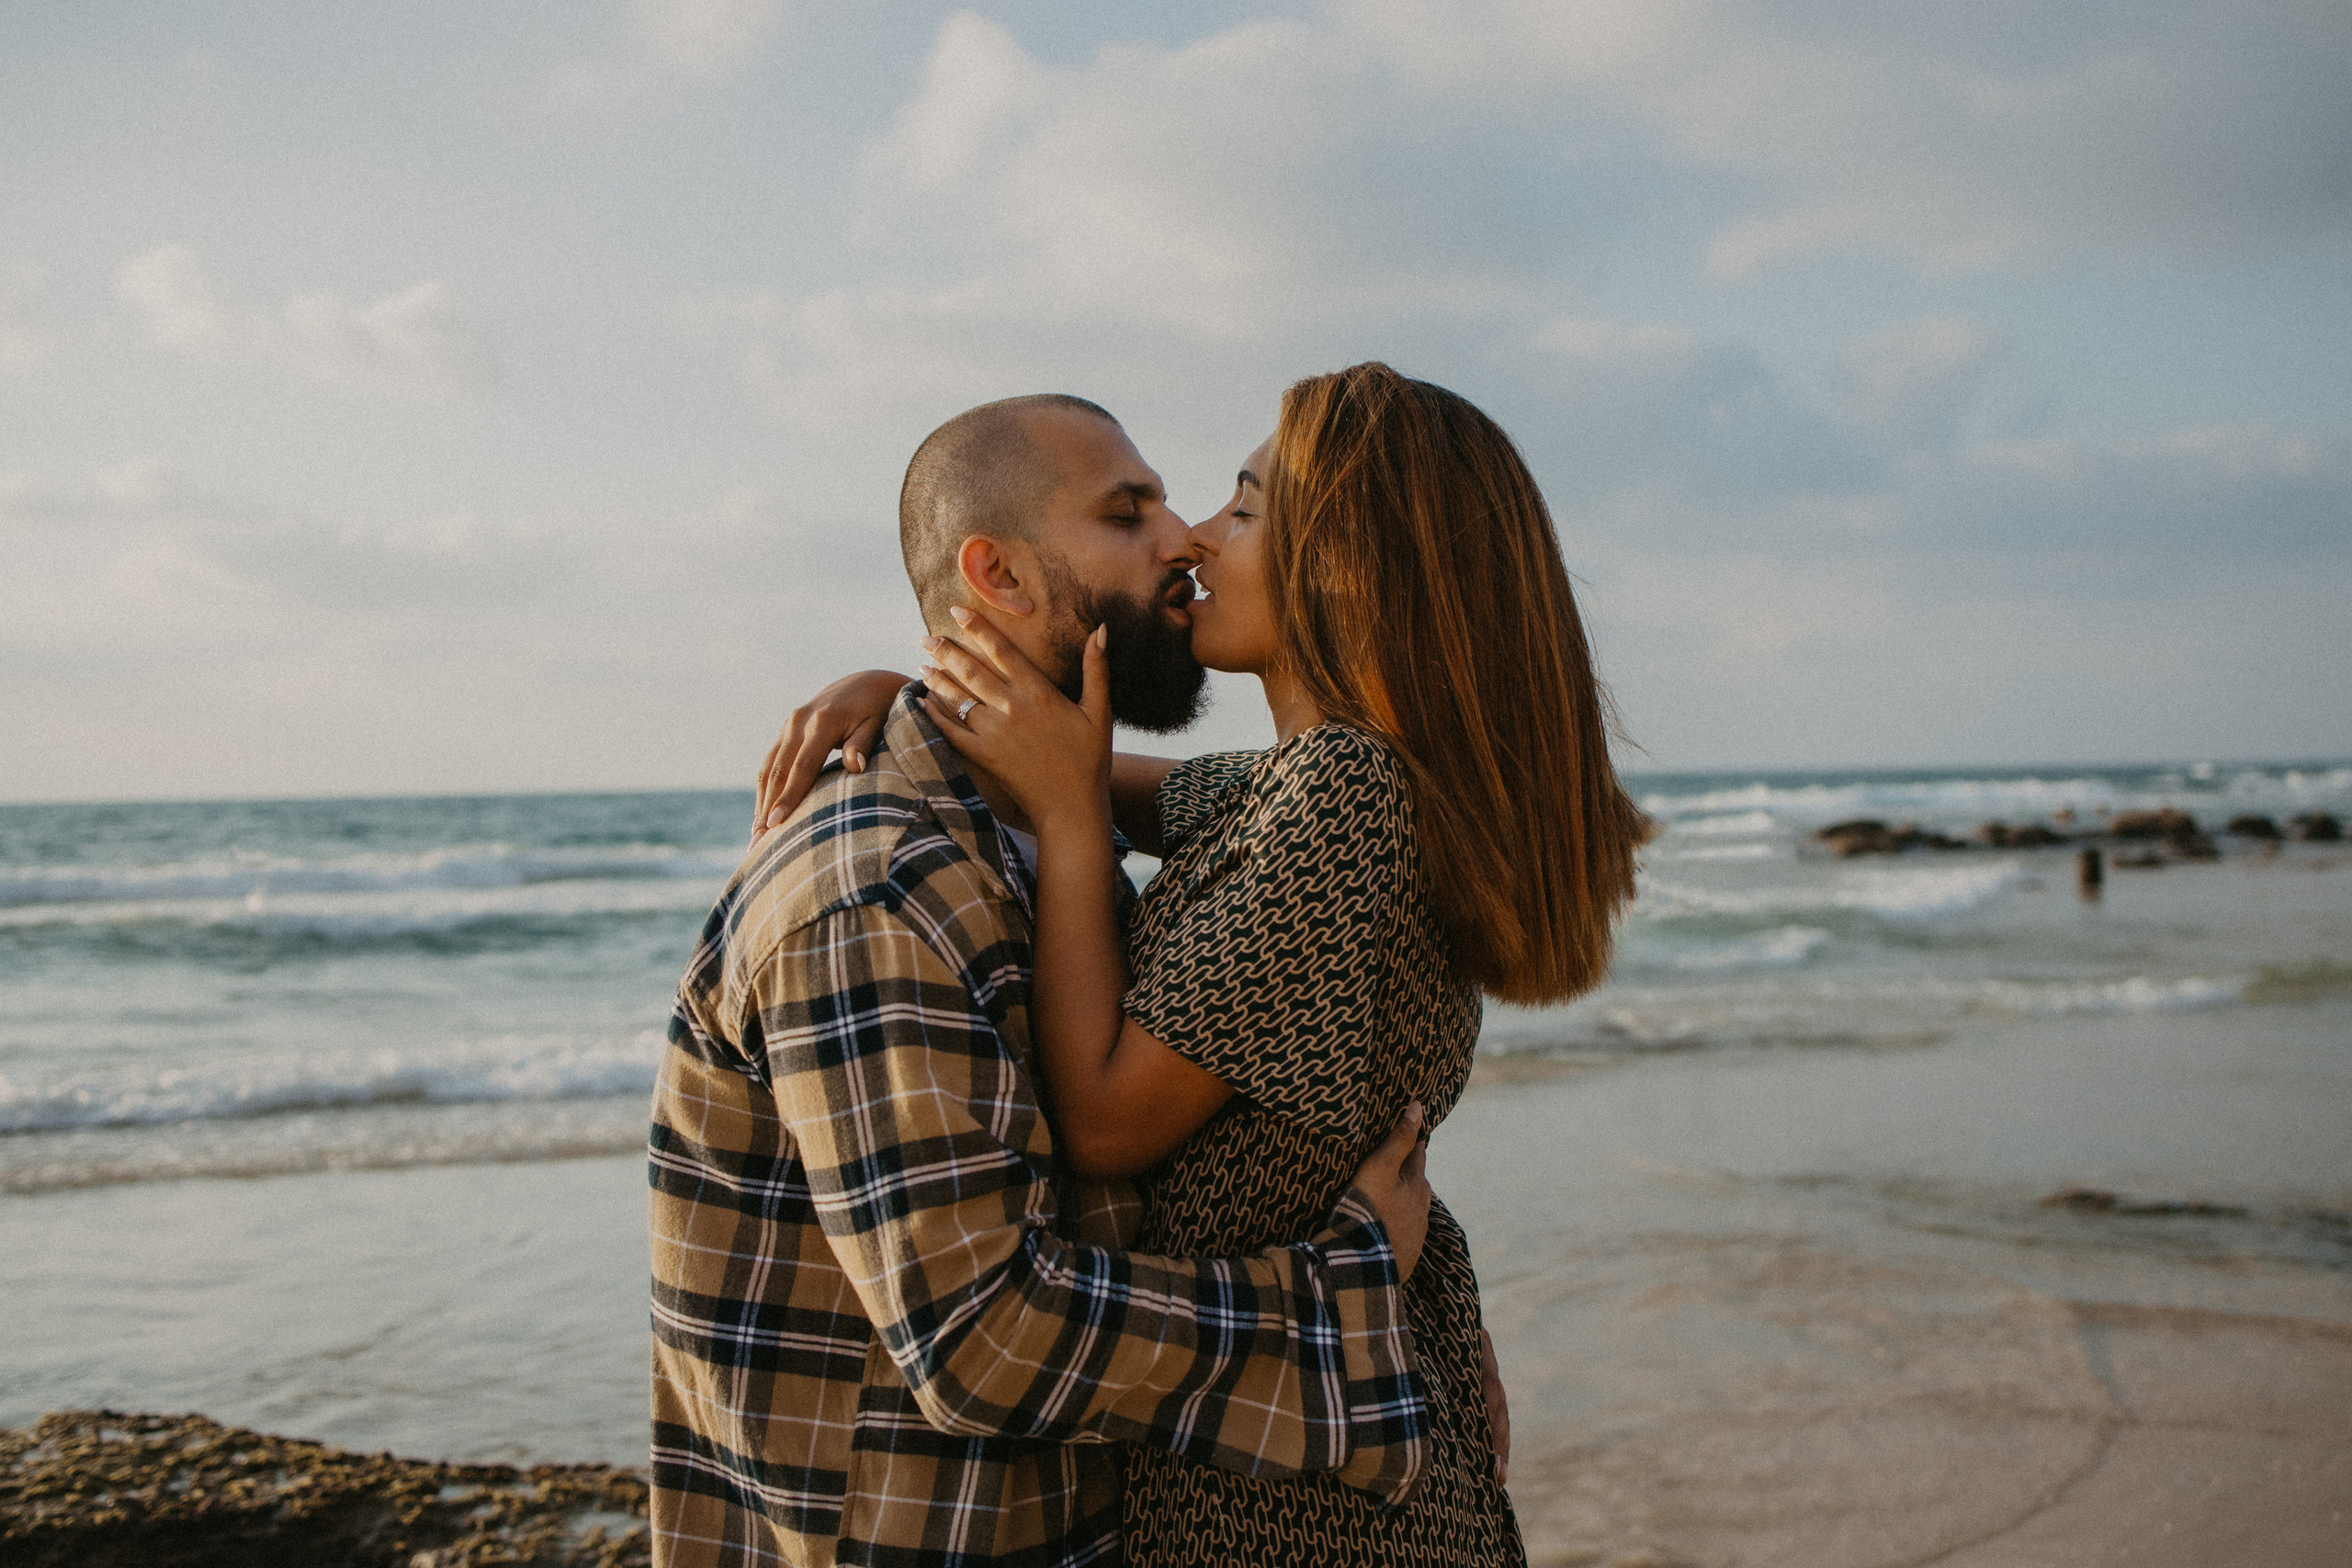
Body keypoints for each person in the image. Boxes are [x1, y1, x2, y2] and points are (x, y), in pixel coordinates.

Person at [771, 364, 1646, 1565]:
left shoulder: (1345, 795)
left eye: (1241, 508)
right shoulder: (1316, 784)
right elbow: (1100, 776)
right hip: (1317, 1437)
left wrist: (1071, 830)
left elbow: (1111, 1117)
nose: (1195, 540)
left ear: (1350, 562)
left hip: (1298, 1507)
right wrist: (927, 701)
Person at [650, 392, 1445, 1568]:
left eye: (1191, 504)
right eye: (1130, 513)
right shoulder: (878, 888)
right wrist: (1352, 1306)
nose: (1182, 539)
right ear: (1000, 577)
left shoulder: (1045, 825)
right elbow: (982, 1338)